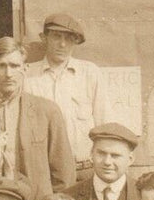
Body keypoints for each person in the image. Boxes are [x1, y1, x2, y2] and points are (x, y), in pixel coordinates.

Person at [0, 37, 75, 198]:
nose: (8, 73)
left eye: (14, 66)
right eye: (1, 66)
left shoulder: (47, 112)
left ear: (25, 69)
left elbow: (63, 173)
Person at [24, 13, 110, 173]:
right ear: (44, 38)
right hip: (45, 173)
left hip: (84, 170)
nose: (62, 44)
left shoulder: (90, 73)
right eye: (56, 36)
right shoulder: (27, 77)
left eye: (69, 39)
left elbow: (103, 125)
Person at [65, 122, 143, 200]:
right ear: (91, 155)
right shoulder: (70, 197)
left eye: (115, 156)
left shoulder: (143, 194)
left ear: (130, 159)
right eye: (101, 153)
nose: (107, 162)